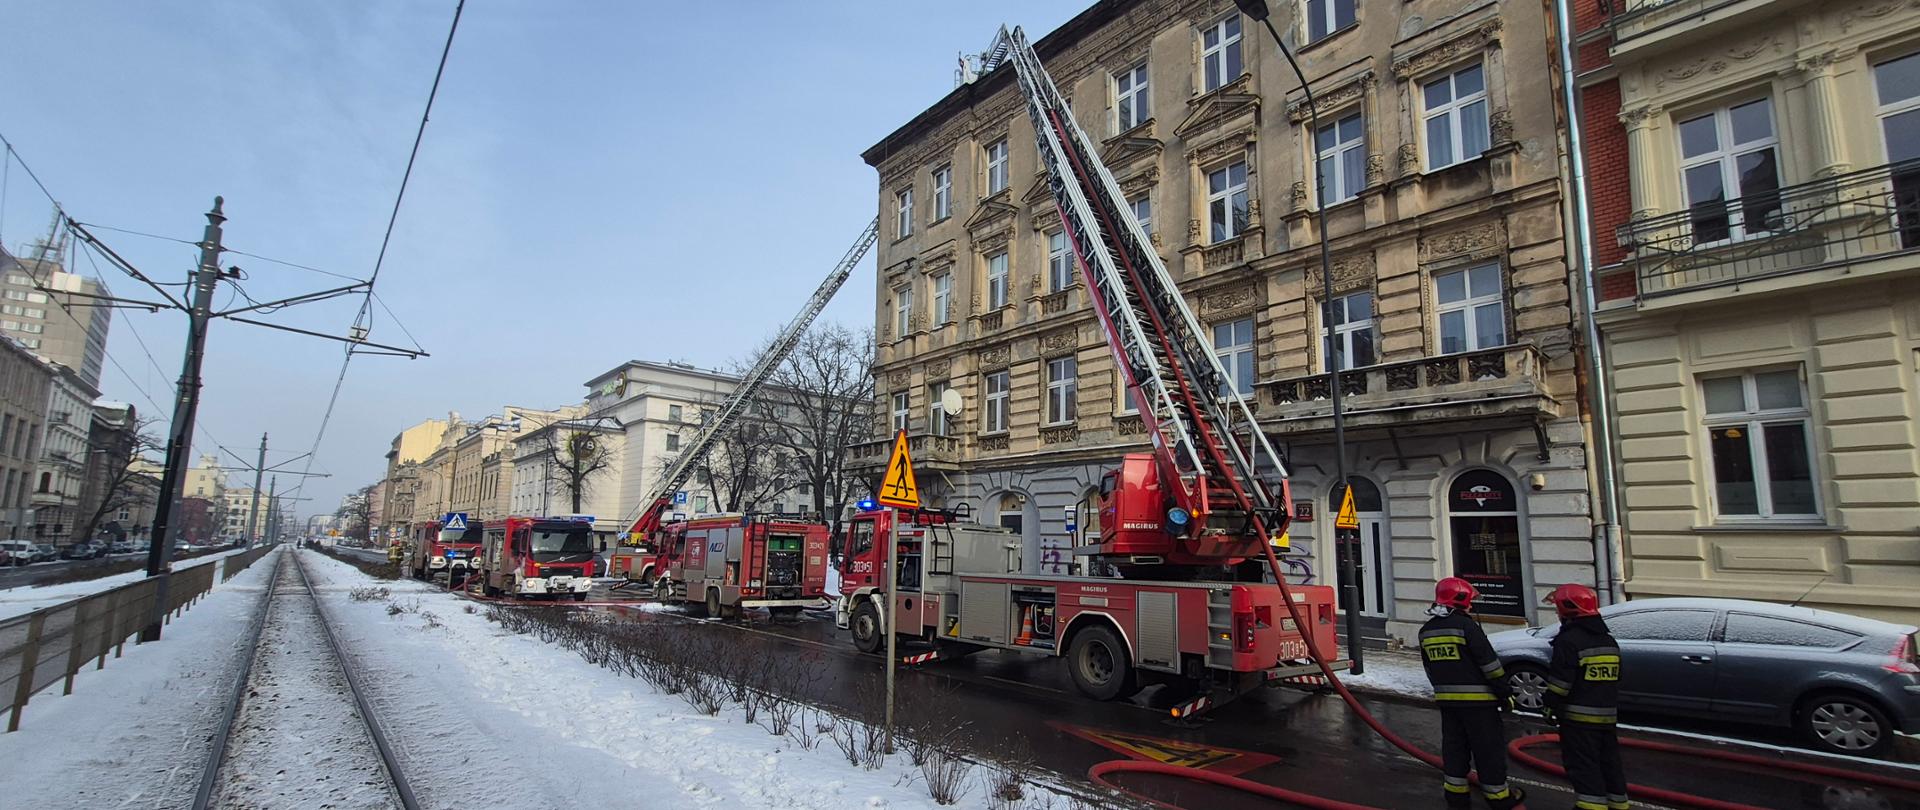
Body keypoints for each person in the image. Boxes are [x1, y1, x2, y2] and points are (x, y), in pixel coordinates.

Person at [1420, 577, 1524, 809]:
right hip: (1480, 705)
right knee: (1488, 751)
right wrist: (1504, 692)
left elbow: (1429, 668)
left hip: (1448, 704)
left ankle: (1456, 798)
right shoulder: (1467, 627)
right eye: (1470, 601)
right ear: (1461, 599)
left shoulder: (1426, 631)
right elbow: (1489, 664)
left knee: (1454, 751)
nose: (1471, 606)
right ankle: (1499, 798)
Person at [1544, 583, 1628, 810]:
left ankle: (1591, 806)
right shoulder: (1607, 640)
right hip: (1607, 716)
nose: (1557, 612)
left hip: (1578, 719)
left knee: (1583, 765)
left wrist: (1550, 704)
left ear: (1567, 609)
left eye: (1558, 607)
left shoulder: (1569, 640)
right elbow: (1617, 677)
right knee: (1610, 763)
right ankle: (1619, 804)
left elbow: (1561, 682)